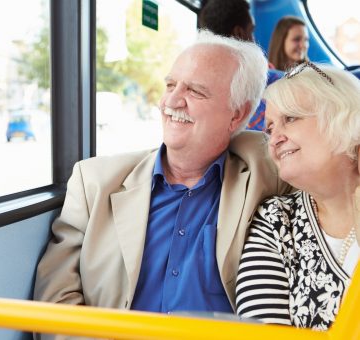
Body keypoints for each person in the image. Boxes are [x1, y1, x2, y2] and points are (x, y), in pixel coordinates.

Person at [33, 30, 291, 339]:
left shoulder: (267, 175)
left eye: (195, 91)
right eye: (170, 85)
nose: (170, 100)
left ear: (238, 114)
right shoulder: (96, 183)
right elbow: (54, 305)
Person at [235, 61, 360, 330]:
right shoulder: (277, 219)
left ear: (342, 117)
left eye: (290, 118)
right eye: (268, 129)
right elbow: (261, 333)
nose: (275, 138)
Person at [199, 0, 284, 131]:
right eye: (251, 31)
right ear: (239, 33)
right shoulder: (279, 83)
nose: (254, 40)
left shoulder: (196, 93)